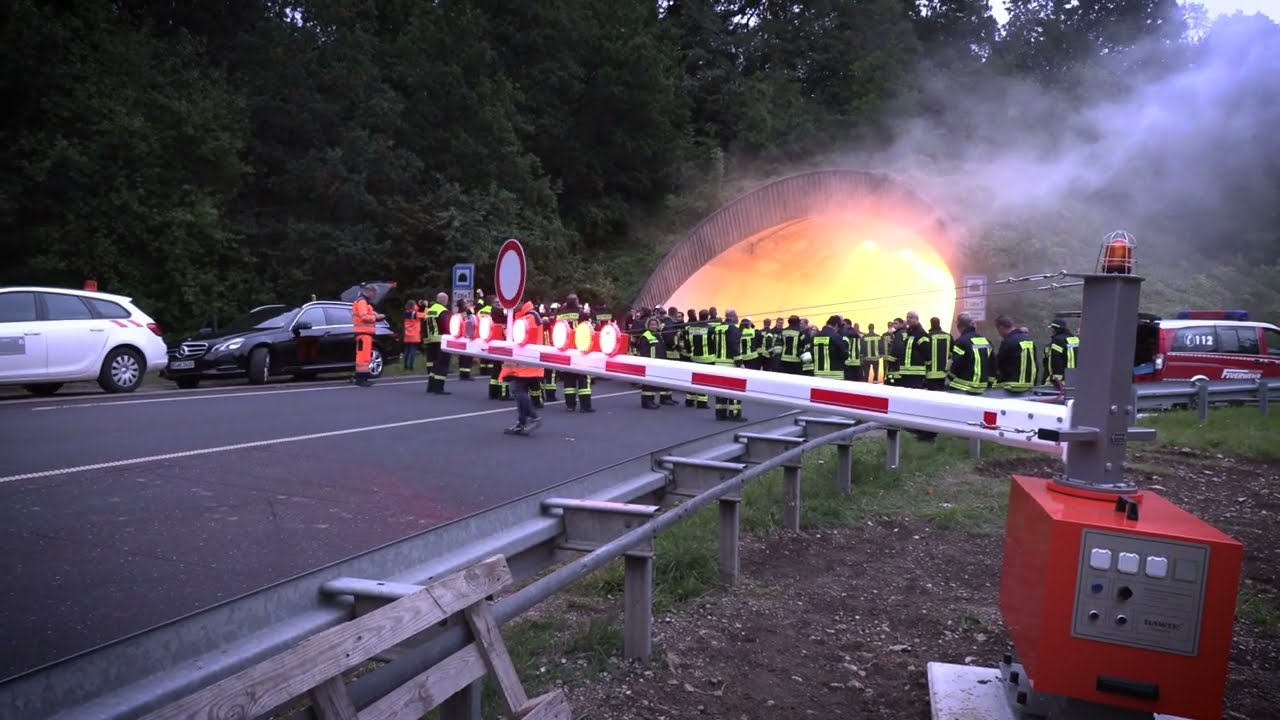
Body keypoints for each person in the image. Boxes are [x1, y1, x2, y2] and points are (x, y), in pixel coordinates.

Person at [500, 301, 545, 435]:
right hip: (522, 362)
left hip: (527, 363)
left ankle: (534, 417)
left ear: (521, 302)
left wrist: (507, 331)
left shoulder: (530, 316)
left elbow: (521, 336)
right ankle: (521, 423)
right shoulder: (524, 316)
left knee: (517, 389)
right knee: (519, 391)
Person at [351, 284, 385, 387]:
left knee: (364, 357)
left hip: (364, 333)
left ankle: (362, 377)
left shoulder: (363, 302)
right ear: (370, 291)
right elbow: (364, 317)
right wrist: (376, 318)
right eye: (374, 293)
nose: (374, 296)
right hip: (363, 333)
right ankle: (361, 379)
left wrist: (375, 315)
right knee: (363, 357)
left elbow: (366, 315)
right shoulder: (362, 302)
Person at [424, 292, 451, 395]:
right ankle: (439, 388)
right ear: (444, 300)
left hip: (431, 341)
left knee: (434, 365)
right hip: (441, 340)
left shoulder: (430, 310)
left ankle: (431, 386)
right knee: (442, 364)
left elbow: (424, 326)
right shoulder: (443, 311)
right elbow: (447, 326)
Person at [402, 300, 421, 371]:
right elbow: (425, 315)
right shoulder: (415, 314)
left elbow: (416, 309)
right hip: (414, 335)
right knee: (412, 351)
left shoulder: (406, 313)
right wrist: (426, 307)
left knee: (407, 350)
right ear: (413, 306)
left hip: (407, 335)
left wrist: (419, 304)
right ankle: (411, 366)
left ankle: (405, 365)